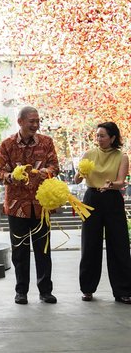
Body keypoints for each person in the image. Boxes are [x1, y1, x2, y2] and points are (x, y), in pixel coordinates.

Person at [0, 106, 59, 305]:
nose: (35, 125)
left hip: (42, 204)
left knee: (43, 250)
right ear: (20, 121)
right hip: (17, 206)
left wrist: (46, 172)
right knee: (19, 251)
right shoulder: (7, 145)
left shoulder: (47, 142)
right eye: (31, 121)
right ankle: (21, 291)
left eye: (37, 121)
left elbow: (55, 167)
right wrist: (11, 177)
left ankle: (45, 291)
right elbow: (0, 173)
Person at [74, 122, 131, 304]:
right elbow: (77, 179)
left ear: (113, 138)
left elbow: (121, 181)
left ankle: (123, 291)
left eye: (102, 136)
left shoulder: (121, 156)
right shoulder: (89, 154)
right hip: (91, 199)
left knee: (119, 244)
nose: (98, 139)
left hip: (112, 198)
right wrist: (80, 173)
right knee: (90, 244)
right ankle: (87, 289)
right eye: (97, 135)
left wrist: (111, 185)